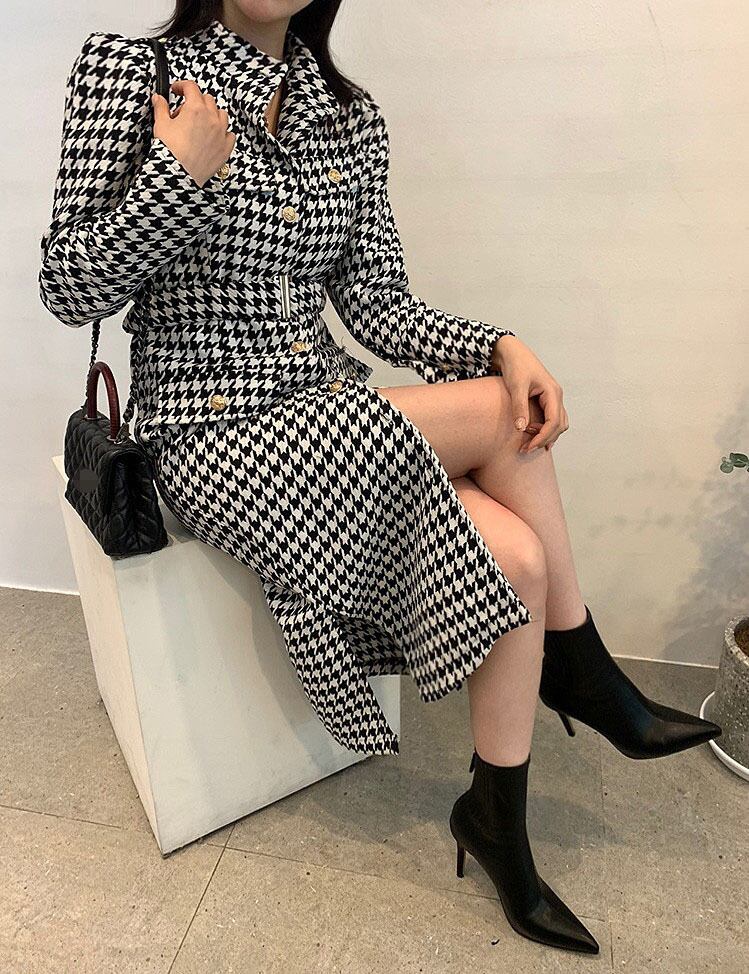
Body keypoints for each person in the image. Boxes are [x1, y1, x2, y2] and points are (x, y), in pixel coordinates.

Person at [38, 0, 721, 955]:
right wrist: (177, 177)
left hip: (326, 413)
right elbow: (67, 288)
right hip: (208, 434)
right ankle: (584, 671)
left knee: (519, 559)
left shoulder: (347, 117)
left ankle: (495, 819)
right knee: (502, 414)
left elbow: (378, 305)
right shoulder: (131, 73)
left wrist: (499, 342)